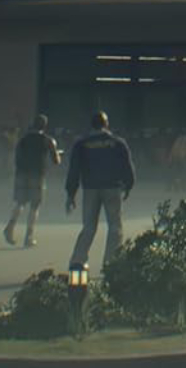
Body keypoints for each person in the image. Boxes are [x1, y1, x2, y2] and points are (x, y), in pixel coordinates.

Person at [66, 111, 136, 275]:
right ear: (107, 124)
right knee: (115, 226)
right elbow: (127, 166)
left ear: (91, 125)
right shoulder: (117, 143)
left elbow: (74, 170)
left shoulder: (81, 144)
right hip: (112, 187)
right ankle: (110, 262)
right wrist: (128, 185)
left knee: (89, 226)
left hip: (90, 188)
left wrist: (71, 193)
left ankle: (78, 260)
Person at [4, 114, 61, 248]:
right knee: (35, 206)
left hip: (22, 174)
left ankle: (10, 226)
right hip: (37, 175)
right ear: (45, 126)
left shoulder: (23, 139)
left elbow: (16, 156)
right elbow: (56, 161)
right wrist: (58, 154)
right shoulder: (48, 140)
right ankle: (29, 236)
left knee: (20, 203)